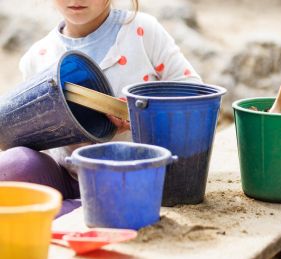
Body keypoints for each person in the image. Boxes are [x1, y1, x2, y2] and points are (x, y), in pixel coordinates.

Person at [0, 0, 202, 216]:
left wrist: (140, 114)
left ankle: (73, 212)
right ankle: (78, 208)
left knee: (46, 214)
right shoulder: (37, 56)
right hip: (71, 176)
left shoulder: (142, 32)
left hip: (136, 174)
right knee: (13, 164)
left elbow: (196, 96)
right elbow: (34, 141)